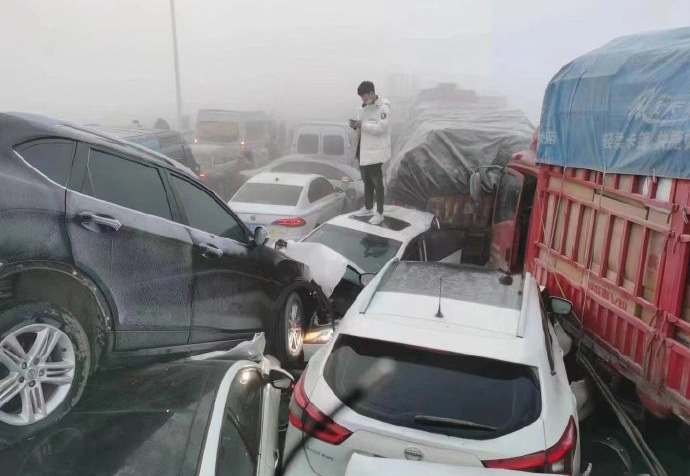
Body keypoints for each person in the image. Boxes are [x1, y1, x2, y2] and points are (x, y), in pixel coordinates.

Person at [350, 81, 391, 225]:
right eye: (362, 98)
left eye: (365, 97)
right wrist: (356, 124)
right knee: (366, 180)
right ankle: (368, 207)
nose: (363, 100)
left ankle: (379, 212)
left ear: (372, 93)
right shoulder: (363, 107)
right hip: (363, 149)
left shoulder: (383, 108)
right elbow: (362, 123)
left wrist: (363, 125)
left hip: (376, 151)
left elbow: (382, 128)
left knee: (376, 182)